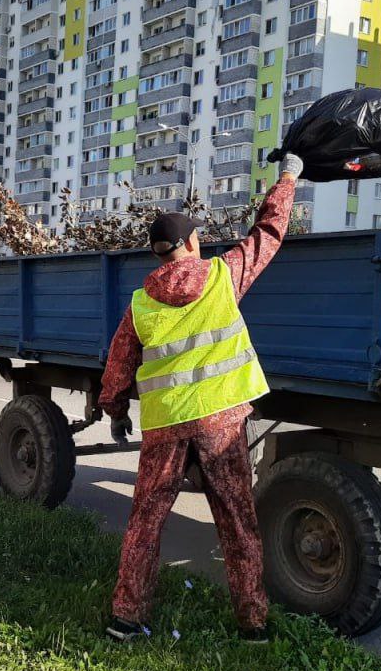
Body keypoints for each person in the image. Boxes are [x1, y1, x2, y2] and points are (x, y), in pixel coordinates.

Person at [99, 154, 304, 643]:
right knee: (236, 520)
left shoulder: (140, 302)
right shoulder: (221, 276)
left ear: (157, 254)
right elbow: (267, 235)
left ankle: (125, 618)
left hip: (166, 427)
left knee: (146, 521)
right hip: (221, 423)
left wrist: (113, 409)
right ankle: (252, 624)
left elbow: (118, 365)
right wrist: (288, 178)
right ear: (191, 243)